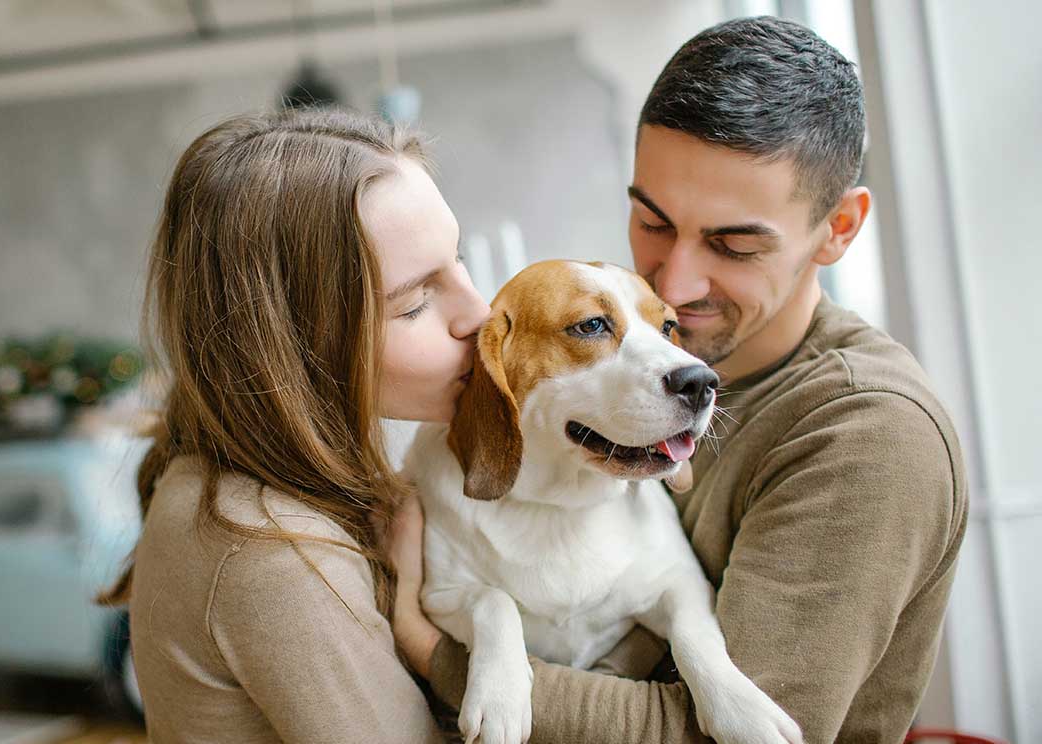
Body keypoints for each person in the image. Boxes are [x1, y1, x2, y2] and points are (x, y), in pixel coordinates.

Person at [390, 16, 968, 743]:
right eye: (653, 222)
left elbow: (714, 734)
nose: (676, 280)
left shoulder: (869, 435)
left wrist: (427, 649)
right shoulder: (651, 357)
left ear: (839, 229)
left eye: (732, 244)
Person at [100, 107, 490, 743]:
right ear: (293, 342)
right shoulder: (272, 548)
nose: (480, 311)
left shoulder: (228, 481)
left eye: (459, 259)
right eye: (416, 301)